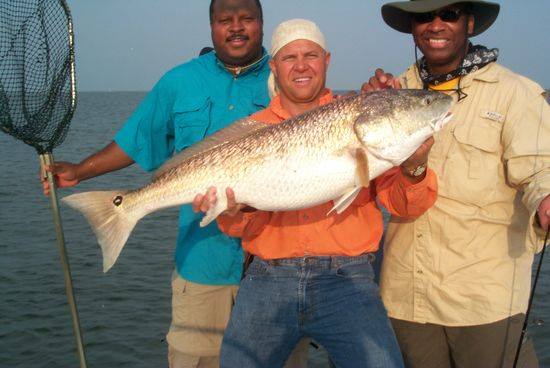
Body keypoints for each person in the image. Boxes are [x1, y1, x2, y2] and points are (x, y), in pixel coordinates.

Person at [40, 1, 304, 367]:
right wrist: (79, 172)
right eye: (225, 20)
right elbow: (138, 140)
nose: (236, 28)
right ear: (211, 27)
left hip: (278, 267)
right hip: (201, 263)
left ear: (262, 23)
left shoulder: (289, 76)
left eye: (247, 18)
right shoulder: (179, 82)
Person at [193, 18, 439, 367]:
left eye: (311, 54)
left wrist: (415, 165)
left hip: (348, 281)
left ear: (327, 60)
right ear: (274, 66)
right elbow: (238, 228)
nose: (301, 65)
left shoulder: (362, 116)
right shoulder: (251, 132)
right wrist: (231, 212)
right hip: (266, 279)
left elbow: (405, 204)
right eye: (289, 57)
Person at [362, 1, 550, 367]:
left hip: (482, 301)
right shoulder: (394, 91)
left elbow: (540, 168)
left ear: (470, 23)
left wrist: (545, 198)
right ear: (412, 27)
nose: (436, 25)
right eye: (424, 16)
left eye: (448, 15)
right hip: (407, 297)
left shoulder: (515, 93)